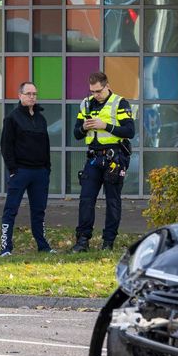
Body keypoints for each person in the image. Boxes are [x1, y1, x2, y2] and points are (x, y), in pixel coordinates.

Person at [73, 71, 135, 252]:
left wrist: (105, 125)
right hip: (93, 158)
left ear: (107, 86)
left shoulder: (120, 103)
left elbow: (130, 131)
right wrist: (84, 127)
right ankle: (82, 240)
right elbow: (76, 133)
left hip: (113, 158)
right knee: (86, 199)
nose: (95, 95)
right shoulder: (85, 104)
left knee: (112, 201)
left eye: (98, 91)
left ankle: (108, 242)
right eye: (92, 91)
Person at [0, 81, 55, 256]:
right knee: (11, 209)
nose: (32, 97)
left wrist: (47, 168)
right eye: (28, 94)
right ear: (20, 95)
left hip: (40, 173)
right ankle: (5, 247)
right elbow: (6, 146)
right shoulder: (12, 118)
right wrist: (13, 169)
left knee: (39, 211)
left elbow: (46, 145)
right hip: (21, 171)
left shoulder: (41, 118)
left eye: (34, 94)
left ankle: (43, 246)